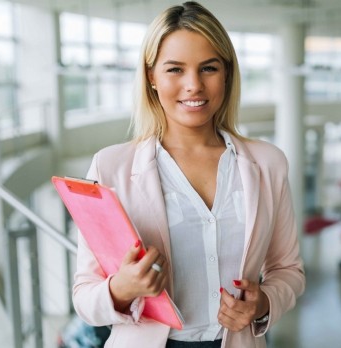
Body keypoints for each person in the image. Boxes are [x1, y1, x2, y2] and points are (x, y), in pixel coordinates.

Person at [71, 2, 306, 347]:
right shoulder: (110, 169)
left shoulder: (268, 163)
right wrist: (123, 288)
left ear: (226, 73)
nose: (193, 85)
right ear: (151, 76)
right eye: (175, 70)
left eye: (208, 68)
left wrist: (263, 303)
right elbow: (84, 297)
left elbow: (288, 270)